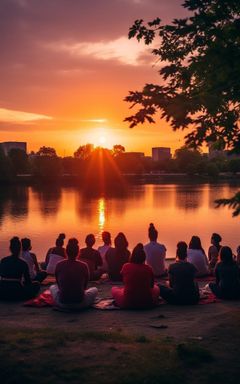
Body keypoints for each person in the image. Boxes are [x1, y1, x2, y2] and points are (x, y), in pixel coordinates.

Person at [50, 238, 98, 309]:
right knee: (95, 289)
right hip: (80, 303)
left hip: (62, 303)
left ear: (66, 251)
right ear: (78, 252)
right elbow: (85, 287)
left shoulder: (59, 264)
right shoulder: (84, 265)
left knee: (52, 287)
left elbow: (59, 284)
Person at [111, 243, 160, 309]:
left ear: (132, 256)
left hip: (127, 302)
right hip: (147, 302)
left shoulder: (126, 266)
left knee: (114, 289)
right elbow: (151, 286)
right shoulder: (148, 268)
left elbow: (124, 282)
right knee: (156, 288)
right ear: (144, 257)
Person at [0, 237, 40, 301]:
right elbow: (28, 282)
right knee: (37, 284)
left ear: (10, 248)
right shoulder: (23, 263)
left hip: (2, 292)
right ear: (20, 249)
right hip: (17, 292)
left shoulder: (3, 260)